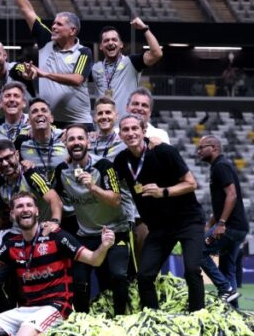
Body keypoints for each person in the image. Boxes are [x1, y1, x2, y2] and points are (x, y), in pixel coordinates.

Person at [0, 192, 113, 336]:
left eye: (29, 205)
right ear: (12, 214)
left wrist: (104, 246)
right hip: (27, 309)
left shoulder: (56, 235)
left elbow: (94, 259)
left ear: (36, 211)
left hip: (56, 306)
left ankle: (62, 332)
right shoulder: (12, 244)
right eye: (19, 206)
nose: (25, 209)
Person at [114, 114, 204, 312]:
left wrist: (163, 192)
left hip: (188, 221)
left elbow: (191, 183)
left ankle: (198, 315)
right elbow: (105, 177)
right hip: (159, 227)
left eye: (134, 128)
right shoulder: (121, 161)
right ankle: (152, 317)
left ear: (143, 131)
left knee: (192, 270)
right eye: (125, 130)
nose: (130, 133)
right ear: (120, 135)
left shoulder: (164, 151)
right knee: (145, 275)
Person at [0, 0, 94, 128]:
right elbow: (27, 10)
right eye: (54, 23)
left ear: (72, 31)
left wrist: (44, 74)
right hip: (49, 122)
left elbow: (77, 79)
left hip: (79, 122)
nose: (53, 26)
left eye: (59, 24)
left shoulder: (83, 52)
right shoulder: (46, 41)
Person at [52, 124, 133, 315]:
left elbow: (116, 199)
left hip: (115, 230)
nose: (76, 142)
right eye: (71, 139)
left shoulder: (104, 165)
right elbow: (52, 196)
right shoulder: (61, 170)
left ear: (88, 142)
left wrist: (93, 187)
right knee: (79, 281)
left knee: (118, 276)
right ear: (65, 144)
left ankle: (121, 320)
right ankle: (83, 321)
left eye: (80, 138)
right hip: (85, 234)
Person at [197, 135, 247, 306]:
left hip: (230, 228)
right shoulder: (219, 166)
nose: (198, 151)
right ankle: (235, 318)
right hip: (237, 228)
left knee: (198, 250)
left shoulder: (221, 165)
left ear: (214, 148)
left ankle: (225, 288)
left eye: (202, 147)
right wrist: (210, 223)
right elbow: (222, 201)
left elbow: (231, 195)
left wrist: (221, 223)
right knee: (228, 270)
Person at [91, 18, 163, 115]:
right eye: (106, 40)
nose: (110, 43)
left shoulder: (131, 62)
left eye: (114, 40)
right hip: (104, 125)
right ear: (101, 46)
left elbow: (157, 53)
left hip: (126, 126)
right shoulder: (95, 68)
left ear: (121, 44)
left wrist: (144, 29)